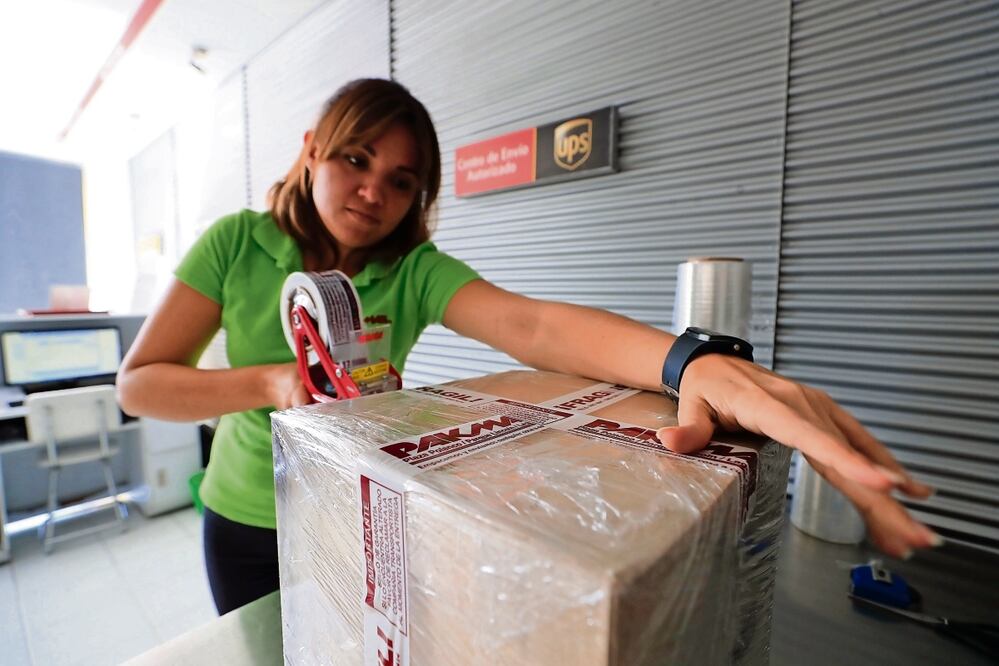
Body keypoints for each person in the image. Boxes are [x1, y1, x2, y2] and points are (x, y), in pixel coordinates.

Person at [117, 78, 939, 616]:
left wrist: (695, 360)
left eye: (403, 180)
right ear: (310, 151)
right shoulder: (237, 243)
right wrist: (271, 383)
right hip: (246, 518)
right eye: (356, 159)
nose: (374, 191)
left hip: (356, 515)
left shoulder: (413, 271)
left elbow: (536, 327)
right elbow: (142, 386)